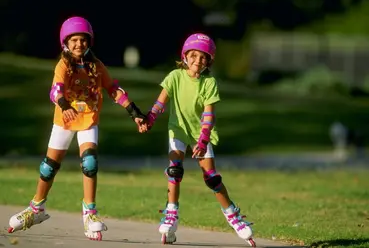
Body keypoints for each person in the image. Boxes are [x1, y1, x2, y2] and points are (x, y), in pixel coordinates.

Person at [7, 16, 147, 241]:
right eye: (74, 40)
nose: (79, 44)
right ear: (65, 42)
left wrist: (134, 112)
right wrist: (64, 106)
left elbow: (113, 88)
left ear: (89, 41)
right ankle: (36, 208)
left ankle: (90, 213)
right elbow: (56, 90)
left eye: (83, 40)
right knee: (48, 168)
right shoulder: (63, 65)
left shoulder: (96, 66)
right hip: (64, 120)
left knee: (90, 163)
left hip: (88, 119)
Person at [143, 33, 256, 246]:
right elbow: (160, 103)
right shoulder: (175, 76)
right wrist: (149, 119)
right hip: (177, 130)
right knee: (174, 170)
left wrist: (203, 139)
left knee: (211, 178)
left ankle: (233, 216)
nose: (198, 60)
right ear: (185, 56)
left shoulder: (209, 82)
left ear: (209, 61)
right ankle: (171, 214)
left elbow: (208, 114)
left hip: (201, 134)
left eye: (203, 57)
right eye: (193, 55)